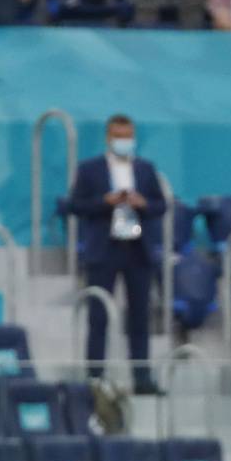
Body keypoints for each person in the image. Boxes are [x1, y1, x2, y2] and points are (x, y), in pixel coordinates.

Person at [67, 115, 168, 394]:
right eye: (118, 136)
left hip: (137, 249)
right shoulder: (90, 170)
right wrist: (105, 202)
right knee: (98, 316)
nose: (124, 142)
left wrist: (142, 202)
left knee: (139, 317)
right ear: (108, 138)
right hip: (105, 248)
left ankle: (142, 377)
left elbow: (161, 205)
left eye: (128, 136)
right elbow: (75, 205)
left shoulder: (146, 169)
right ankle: (96, 377)